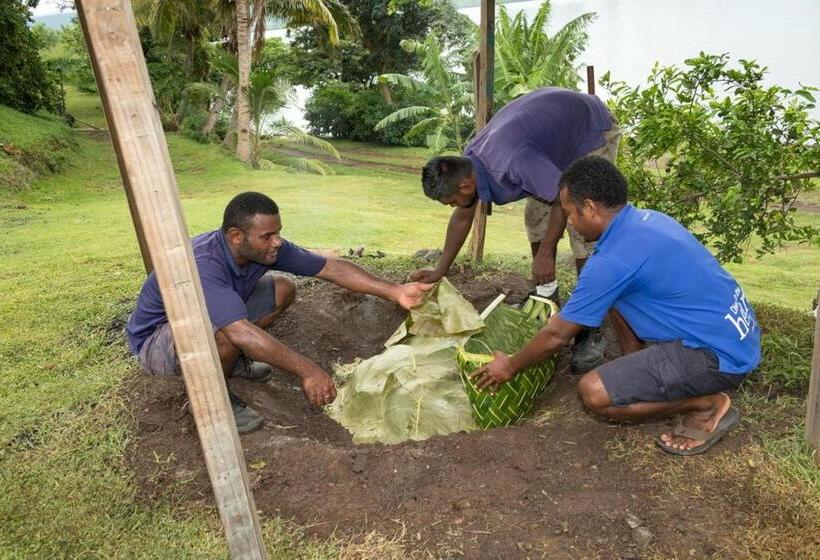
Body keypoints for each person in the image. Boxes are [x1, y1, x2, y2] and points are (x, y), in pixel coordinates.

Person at [469, 156, 761, 456]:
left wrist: (510, 365)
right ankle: (639, 365)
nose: (568, 221)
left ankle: (708, 405)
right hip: (737, 334)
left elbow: (557, 335)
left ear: (591, 208)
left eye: (569, 213)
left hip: (717, 357)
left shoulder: (612, 261)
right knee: (612, 296)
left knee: (594, 393)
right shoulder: (647, 220)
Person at [126, 192, 432, 434]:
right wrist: (308, 370)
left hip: (206, 319)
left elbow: (330, 267)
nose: (278, 242)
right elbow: (240, 331)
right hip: (159, 342)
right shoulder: (204, 264)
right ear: (236, 236)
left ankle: (232, 362)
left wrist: (395, 291)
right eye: (268, 236)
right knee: (230, 333)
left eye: (278, 233)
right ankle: (214, 401)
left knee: (283, 288)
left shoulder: (263, 248)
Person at [411, 87, 621, 373]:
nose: (452, 207)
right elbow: (463, 216)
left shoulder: (513, 160)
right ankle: (547, 296)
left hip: (590, 132)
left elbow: (564, 200)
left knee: (583, 227)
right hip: (552, 142)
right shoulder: (470, 159)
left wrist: (546, 253)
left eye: (450, 201)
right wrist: (440, 269)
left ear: (465, 186)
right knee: (536, 214)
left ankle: (588, 325)